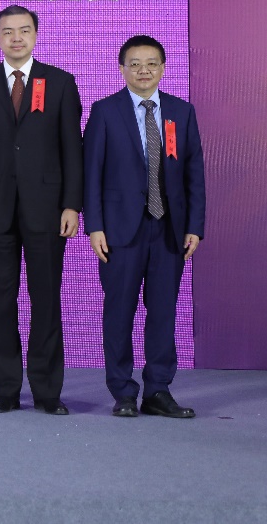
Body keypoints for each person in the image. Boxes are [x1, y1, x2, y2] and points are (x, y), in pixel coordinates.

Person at [0, 5, 83, 416]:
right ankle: (5, 390)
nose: (16, 38)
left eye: (24, 30)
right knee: (0, 302)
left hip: (47, 210)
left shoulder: (60, 82)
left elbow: (72, 149)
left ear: (35, 35)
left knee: (46, 300)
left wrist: (71, 204)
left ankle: (47, 392)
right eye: (8, 31)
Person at [84, 35, 204, 419]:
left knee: (164, 312)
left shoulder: (181, 112)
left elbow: (194, 174)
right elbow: (91, 173)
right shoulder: (105, 111)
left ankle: (157, 390)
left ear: (163, 68)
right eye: (134, 64)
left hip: (169, 230)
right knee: (119, 312)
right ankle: (122, 391)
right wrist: (94, 226)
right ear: (122, 69)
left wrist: (195, 226)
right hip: (119, 232)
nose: (143, 71)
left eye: (151, 63)